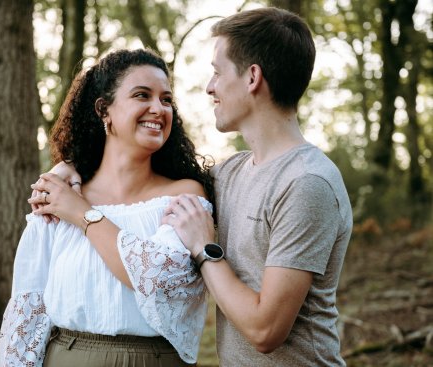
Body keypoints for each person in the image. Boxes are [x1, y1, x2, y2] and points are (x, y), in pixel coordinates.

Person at [45, 7, 353, 367]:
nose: (209, 87)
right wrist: (72, 165)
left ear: (252, 77)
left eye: (217, 73)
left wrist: (204, 250)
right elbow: (147, 181)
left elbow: (265, 331)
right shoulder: (234, 173)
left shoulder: (306, 183)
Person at [0, 48, 214, 367]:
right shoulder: (57, 196)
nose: (158, 108)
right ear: (104, 110)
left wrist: (82, 215)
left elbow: (152, 278)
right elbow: (28, 312)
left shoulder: (184, 197)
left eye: (166, 100)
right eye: (143, 95)